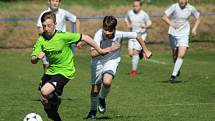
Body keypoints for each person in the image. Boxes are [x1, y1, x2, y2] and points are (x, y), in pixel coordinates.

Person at [31, 11, 112, 121]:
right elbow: (33, 60)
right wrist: (36, 58)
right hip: (51, 72)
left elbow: (86, 37)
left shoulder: (64, 36)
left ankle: (56, 101)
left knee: (45, 91)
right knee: (45, 102)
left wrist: (100, 50)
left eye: (49, 26)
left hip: (65, 71)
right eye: (44, 26)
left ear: (55, 24)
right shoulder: (41, 40)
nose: (46, 29)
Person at [86, 16, 152, 119]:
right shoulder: (98, 34)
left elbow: (137, 35)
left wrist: (145, 50)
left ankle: (102, 99)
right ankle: (93, 111)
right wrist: (110, 49)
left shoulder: (119, 34)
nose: (107, 32)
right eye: (105, 29)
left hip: (112, 61)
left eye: (110, 30)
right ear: (102, 27)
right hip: (97, 62)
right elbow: (93, 53)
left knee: (107, 82)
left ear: (114, 29)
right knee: (95, 90)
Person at [162, 0, 201, 83]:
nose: (182, 1)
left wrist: (194, 29)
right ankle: (177, 68)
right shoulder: (174, 7)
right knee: (175, 54)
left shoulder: (191, 8)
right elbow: (164, 17)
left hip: (184, 34)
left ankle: (173, 75)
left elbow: (198, 18)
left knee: (181, 55)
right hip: (173, 33)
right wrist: (171, 23)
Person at [37, 0, 81, 72]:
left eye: (57, 1)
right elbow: (39, 31)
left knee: (62, 71)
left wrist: (78, 39)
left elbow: (77, 20)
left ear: (59, 2)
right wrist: (49, 33)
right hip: (48, 46)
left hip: (62, 47)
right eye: (53, 1)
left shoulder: (63, 13)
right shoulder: (44, 14)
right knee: (47, 70)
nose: (55, 3)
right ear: (49, 1)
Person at [125, 0, 152, 76]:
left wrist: (145, 26)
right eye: (134, 6)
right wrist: (128, 24)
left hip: (141, 35)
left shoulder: (144, 14)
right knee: (130, 54)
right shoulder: (130, 13)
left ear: (140, 6)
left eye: (136, 6)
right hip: (132, 35)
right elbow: (126, 19)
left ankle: (133, 71)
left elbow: (150, 24)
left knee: (135, 52)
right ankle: (140, 53)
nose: (135, 7)